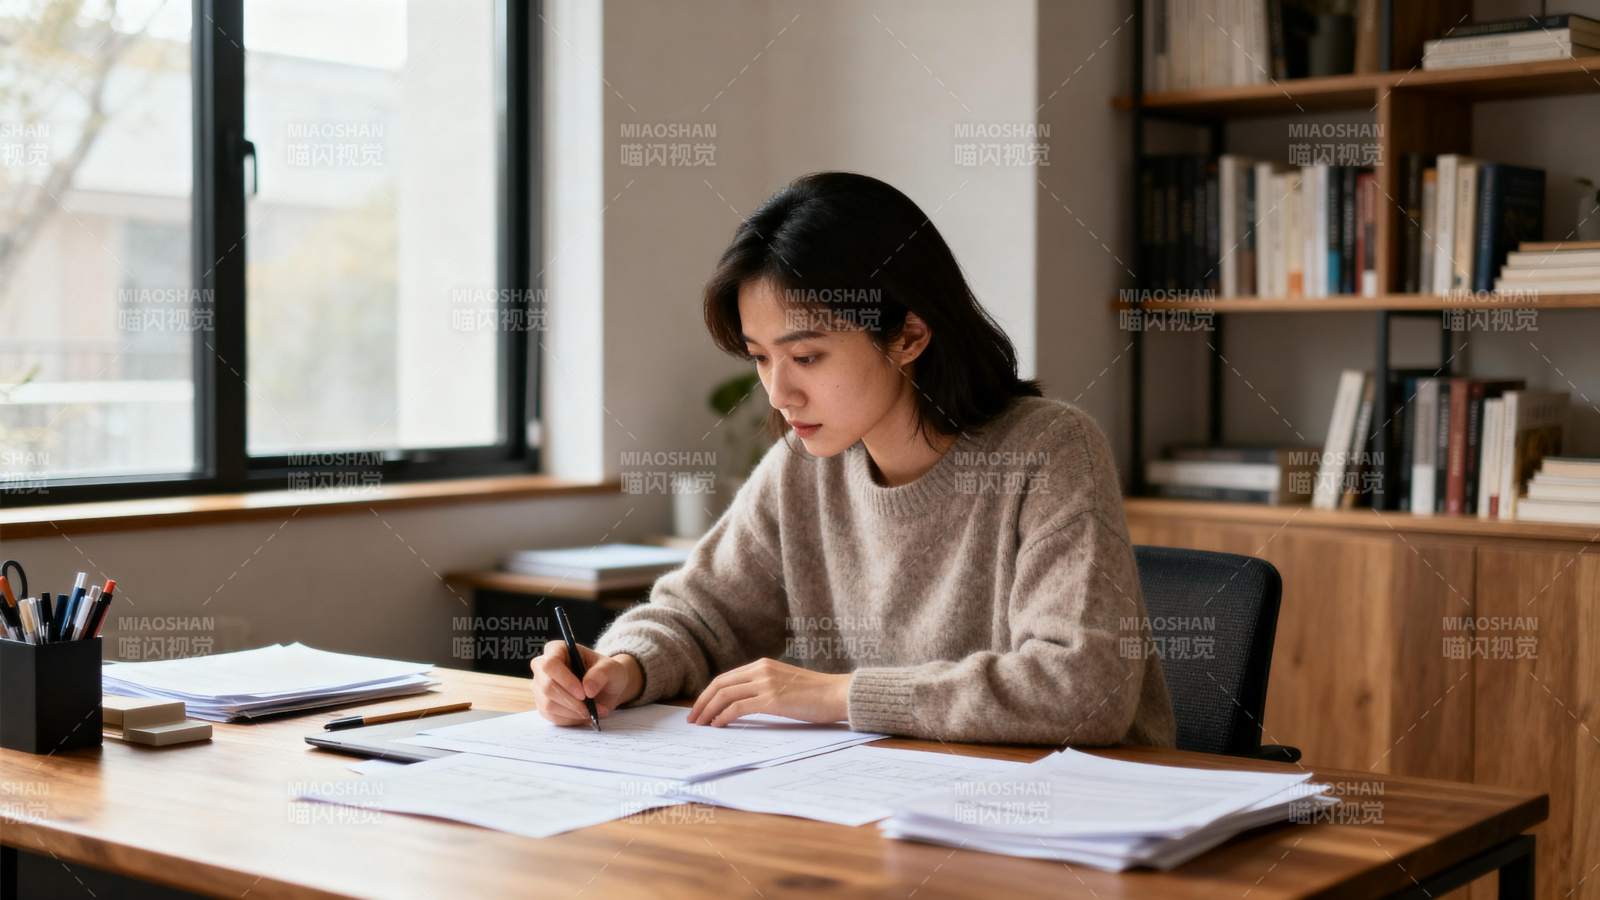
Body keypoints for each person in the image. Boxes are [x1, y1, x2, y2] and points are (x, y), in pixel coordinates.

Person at [531, 171, 1175, 746]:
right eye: (760, 357)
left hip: (1076, 833)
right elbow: (701, 617)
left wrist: (839, 696)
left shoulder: (1051, 451)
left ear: (907, 335)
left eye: (806, 356)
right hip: (884, 811)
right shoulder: (804, 466)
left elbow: (1082, 690)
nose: (779, 393)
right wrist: (623, 666)